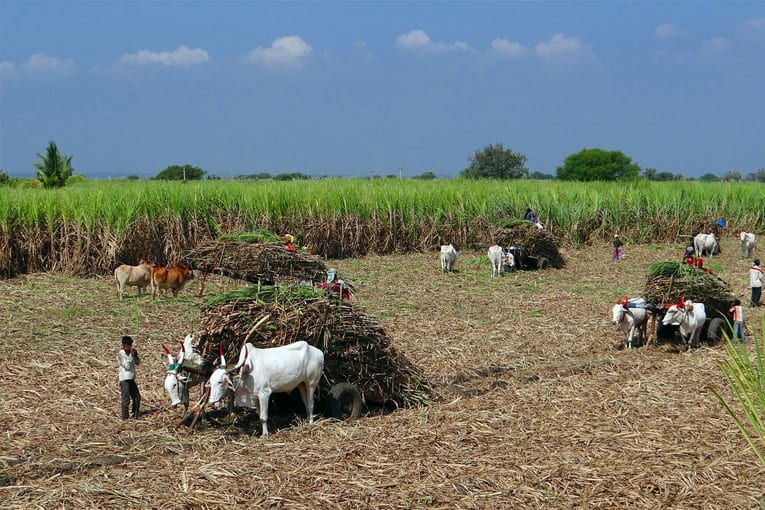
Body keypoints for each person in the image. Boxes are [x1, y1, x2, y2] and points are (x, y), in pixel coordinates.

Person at [117, 335, 141, 420]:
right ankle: (125, 418)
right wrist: (130, 356)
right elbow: (126, 366)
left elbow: (138, 362)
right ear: (123, 346)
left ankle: (135, 414)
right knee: (126, 399)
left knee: (137, 397)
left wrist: (135, 355)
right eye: (127, 346)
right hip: (124, 379)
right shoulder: (121, 354)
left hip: (131, 378)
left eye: (130, 345)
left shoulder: (132, 353)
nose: (129, 347)